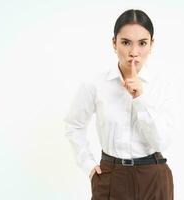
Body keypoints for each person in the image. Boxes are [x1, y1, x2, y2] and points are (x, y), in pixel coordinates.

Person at [64, 9, 176, 200]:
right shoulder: (95, 84)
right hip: (111, 175)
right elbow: (74, 125)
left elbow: (161, 142)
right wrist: (89, 165)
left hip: (153, 176)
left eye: (142, 43)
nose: (134, 52)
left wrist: (139, 98)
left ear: (152, 44)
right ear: (114, 43)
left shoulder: (161, 85)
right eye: (126, 42)